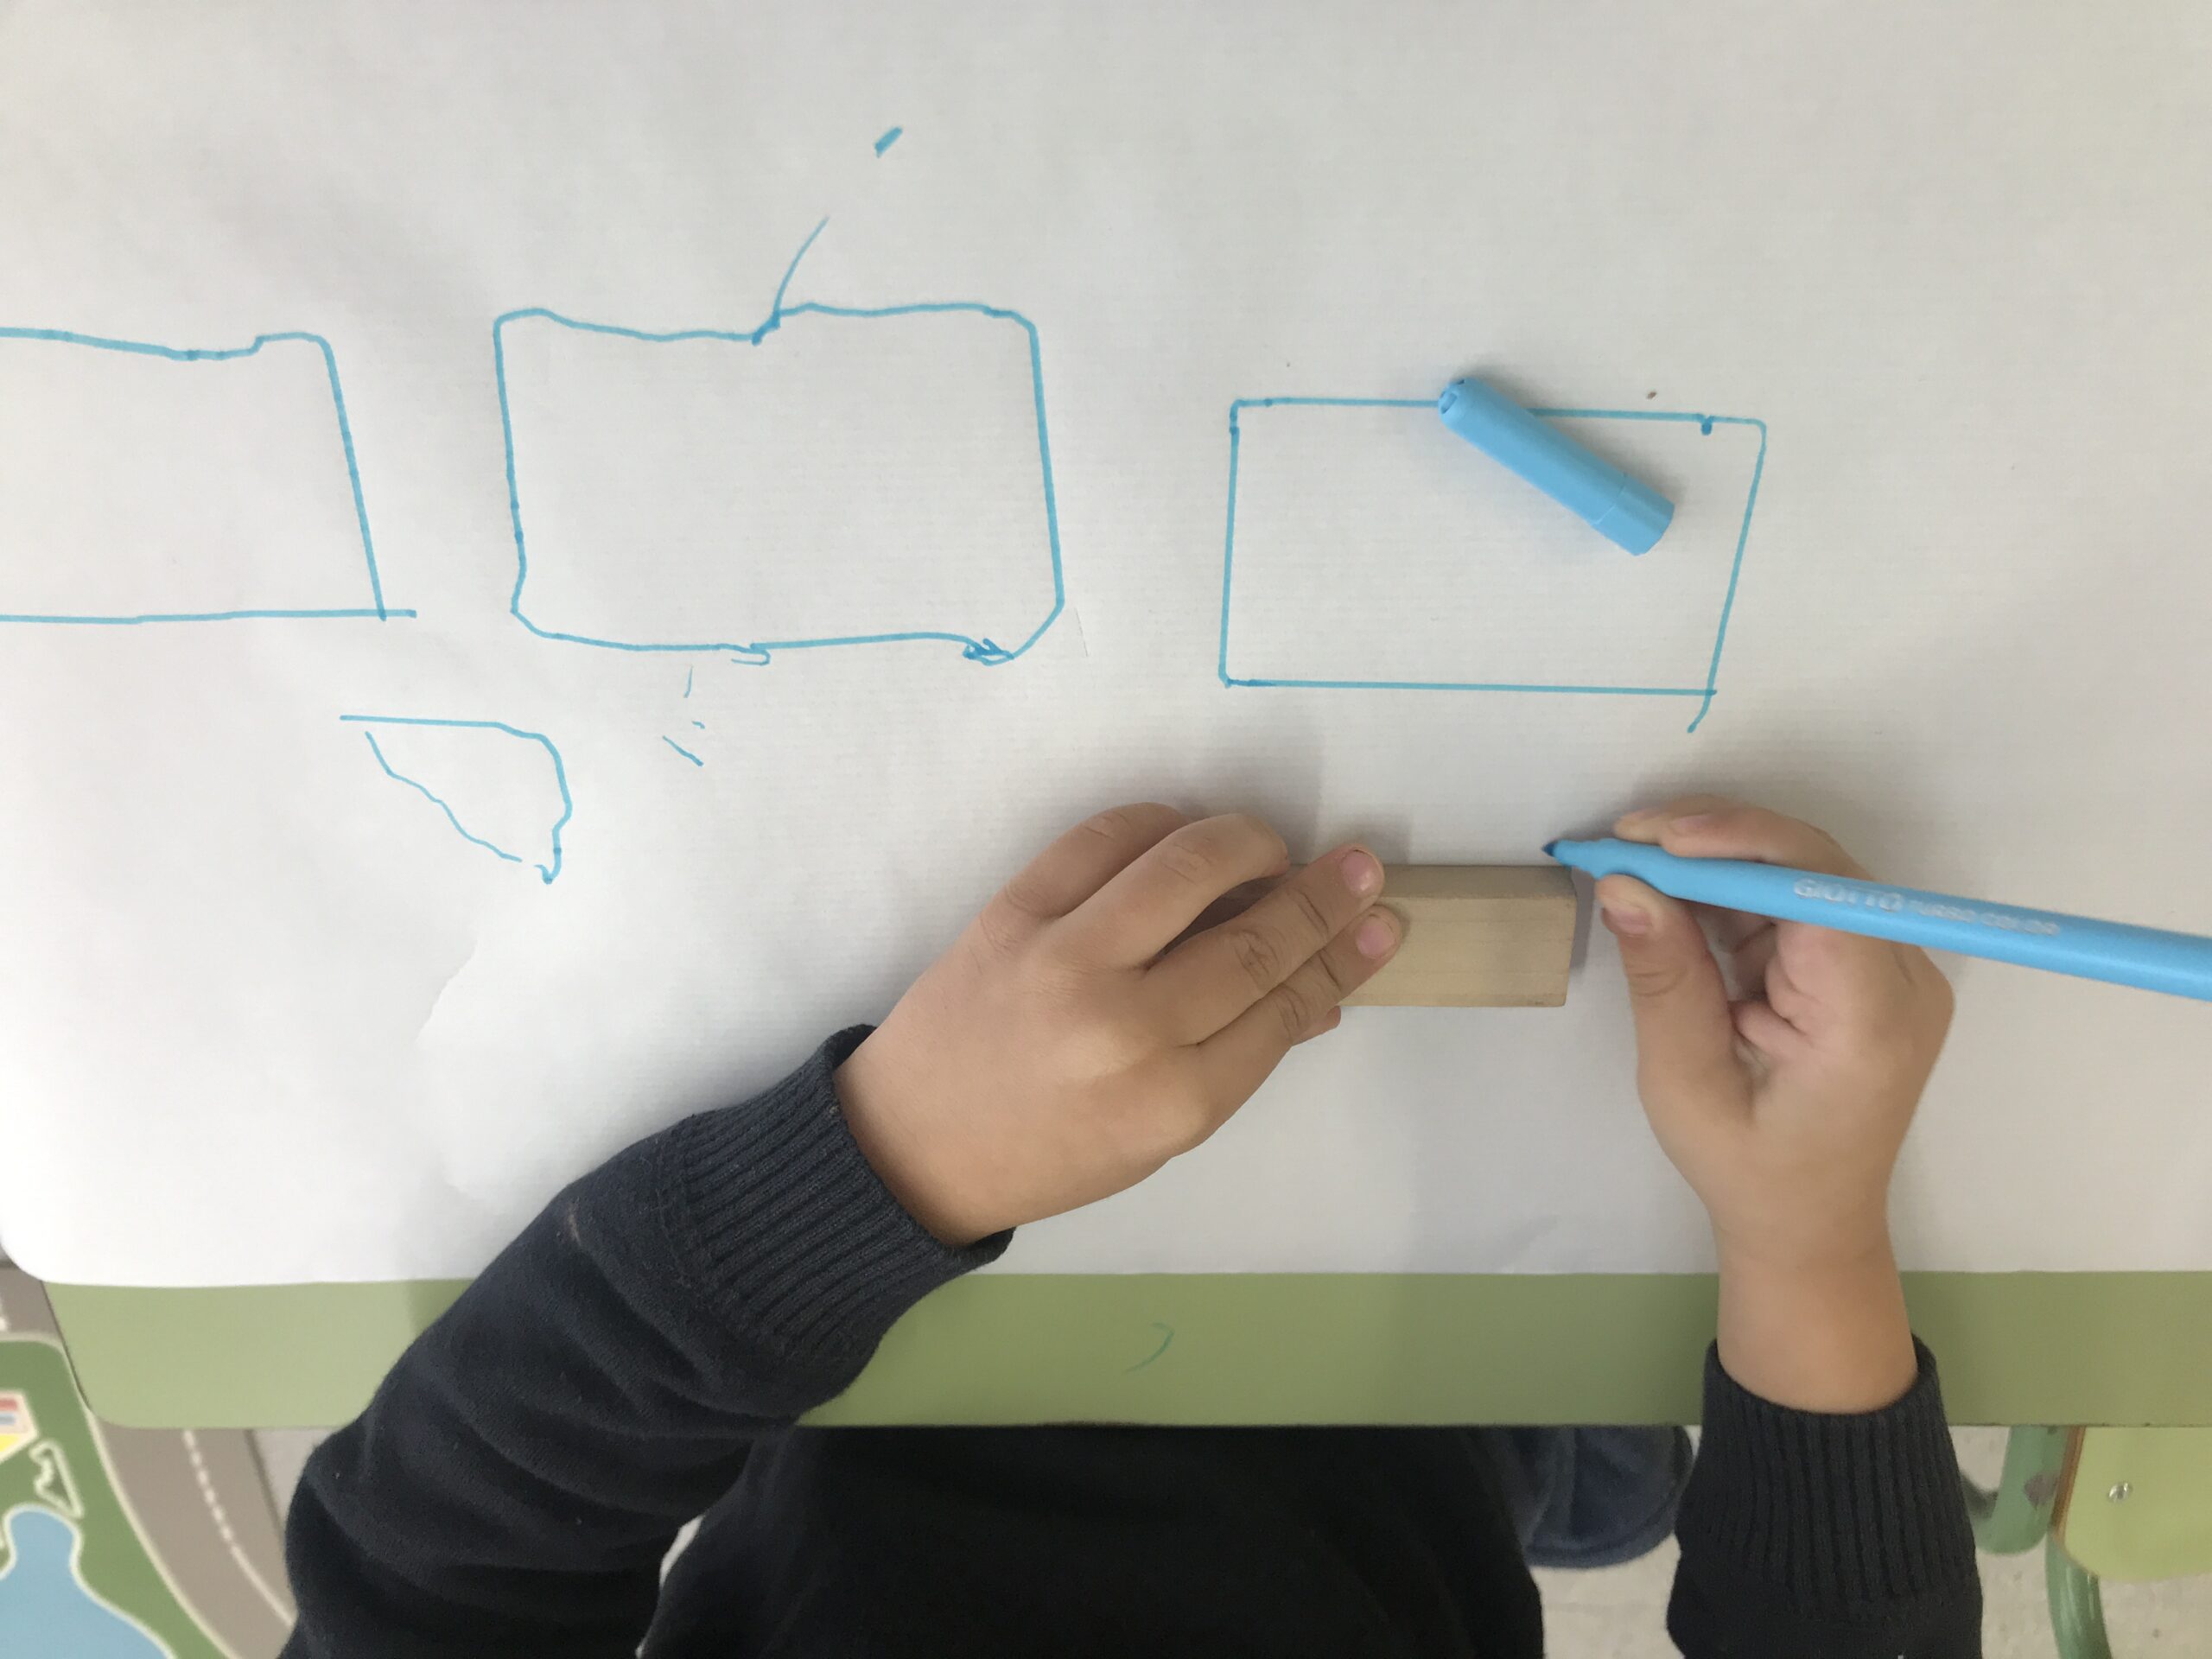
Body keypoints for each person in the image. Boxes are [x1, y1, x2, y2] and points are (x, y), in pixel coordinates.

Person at [281, 796, 1981, 1657]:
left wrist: (883, 1160)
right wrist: (1807, 1237)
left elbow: (431, 1571)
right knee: (1564, 1434)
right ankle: (1579, 1479)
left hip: (874, 1406)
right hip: (1430, 1451)